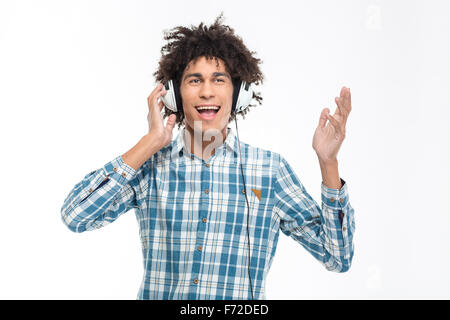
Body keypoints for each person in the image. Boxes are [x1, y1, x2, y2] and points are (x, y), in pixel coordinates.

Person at [61, 13, 355, 300]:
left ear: (239, 94)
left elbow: (337, 258)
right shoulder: (150, 166)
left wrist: (328, 163)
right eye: (194, 81)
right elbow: (76, 216)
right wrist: (149, 142)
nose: (206, 92)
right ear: (174, 95)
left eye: (218, 80)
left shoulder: (270, 171)